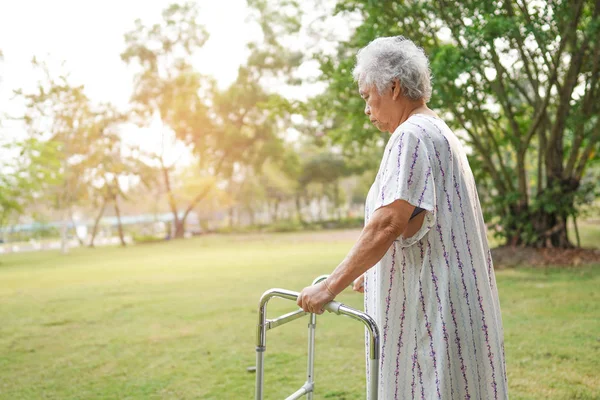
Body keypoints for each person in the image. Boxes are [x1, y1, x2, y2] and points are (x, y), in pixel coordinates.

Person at [297, 36, 508, 399]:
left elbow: (387, 224)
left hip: (433, 311)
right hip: (457, 307)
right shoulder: (439, 131)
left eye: (367, 96)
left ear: (393, 87)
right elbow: (419, 222)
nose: (366, 109)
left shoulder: (410, 136)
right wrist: (373, 269)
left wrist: (329, 286)